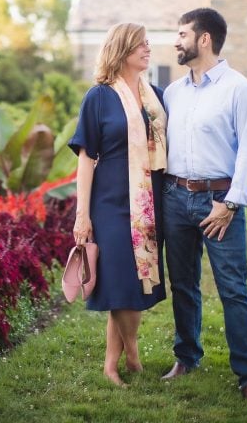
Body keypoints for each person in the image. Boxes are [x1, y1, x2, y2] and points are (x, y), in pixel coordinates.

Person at [160, 7, 247, 404]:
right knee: (184, 286)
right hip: (176, 198)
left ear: (204, 39)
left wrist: (230, 203)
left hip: (219, 202)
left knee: (233, 289)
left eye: (183, 33)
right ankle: (186, 358)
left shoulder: (238, 89)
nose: (176, 40)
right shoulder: (173, 92)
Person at [69, 23, 168, 387]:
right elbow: (85, 156)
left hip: (149, 198)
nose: (148, 48)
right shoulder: (99, 97)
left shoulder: (155, 95)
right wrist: (82, 215)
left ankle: (121, 360)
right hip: (110, 201)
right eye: (140, 44)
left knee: (136, 283)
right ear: (122, 49)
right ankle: (125, 359)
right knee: (121, 280)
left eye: (148, 43)